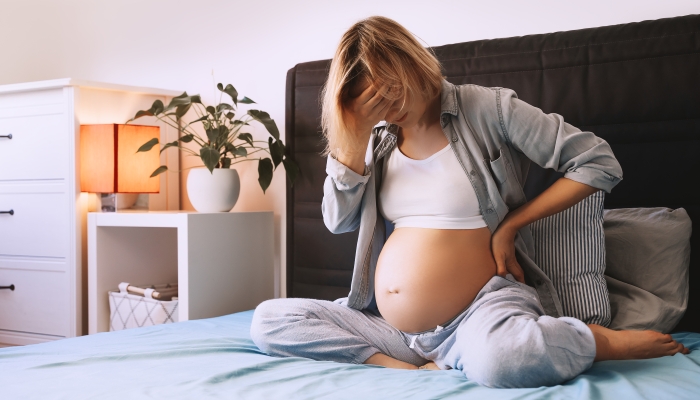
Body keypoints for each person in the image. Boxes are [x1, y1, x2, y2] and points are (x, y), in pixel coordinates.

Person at [250, 16, 689, 388]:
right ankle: (406, 370)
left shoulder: (488, 108)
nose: (388, 111)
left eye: (390, 93)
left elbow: (599, 163)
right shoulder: (378, 139)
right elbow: (338, 222)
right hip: (392, 330)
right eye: (373, 105)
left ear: (410, 63)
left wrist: (513, 224)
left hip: (481, 311)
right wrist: (354, 138)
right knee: (269, 320)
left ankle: (600, 342)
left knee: (507, 360)